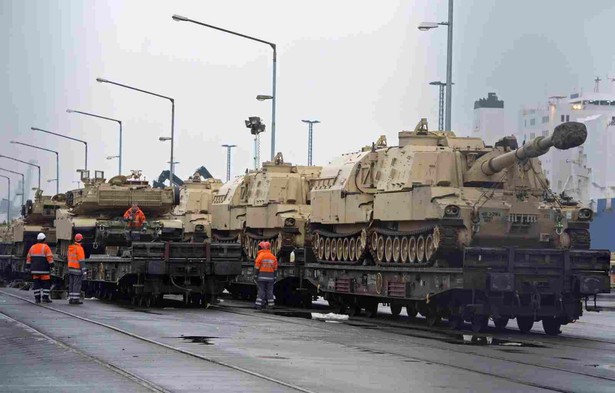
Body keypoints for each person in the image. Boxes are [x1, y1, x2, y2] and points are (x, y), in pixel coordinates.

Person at [25, 233, 54, 303]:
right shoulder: (46, 247)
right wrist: (52, 266)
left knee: (36, 284)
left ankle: (37, 299)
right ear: (44, 239)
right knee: (46, 283)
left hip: (35, 270)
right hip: (44, 270)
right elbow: (49, 257)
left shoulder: (32, 247)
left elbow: (28, 258)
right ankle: (45, 298)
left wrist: (28, 267)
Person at [254, 241, 278, 310]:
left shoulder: (260, 256)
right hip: (270, 277)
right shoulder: (273, 257)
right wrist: (275, 276)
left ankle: (259, 304)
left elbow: (257, 267)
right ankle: (271, 305)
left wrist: (255, 275)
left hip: (261, 277)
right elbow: (275, 268)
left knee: (261, 290)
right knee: (270, 291)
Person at [67, 233, 86, 305]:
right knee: (76, 284)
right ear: (81, 240)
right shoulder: (79, 248)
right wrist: (84, 271)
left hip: (70, 268)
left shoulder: (70, 248)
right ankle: (75, 299)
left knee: (71, 284)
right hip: (77, 269)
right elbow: (81, 260)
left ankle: (71, 298)